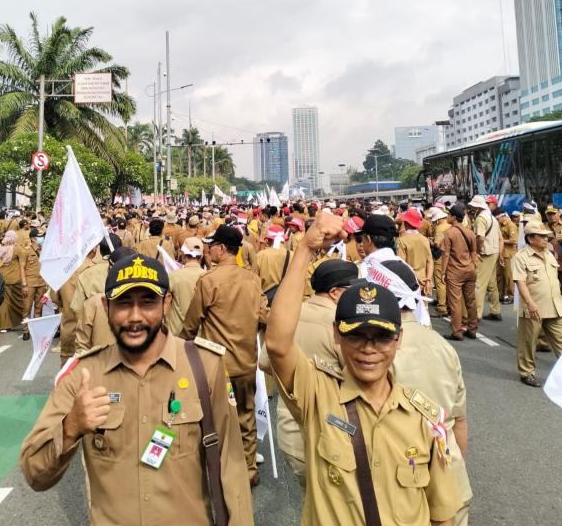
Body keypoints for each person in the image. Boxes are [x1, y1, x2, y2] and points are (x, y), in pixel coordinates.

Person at [20, 254, 253, 526]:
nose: (134, 317)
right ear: (106, 306)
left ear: (166, 304)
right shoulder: (84, 375)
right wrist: (70, 427)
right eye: (123, 303)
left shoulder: (205, 366)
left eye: (147, 302)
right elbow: (35, 474)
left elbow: (233, 469)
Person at [265, 213, 459, 526]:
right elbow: (276, 344)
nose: (369, 348)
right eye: (356, 335)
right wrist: (304, 250)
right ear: (336, 336)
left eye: (381, 337)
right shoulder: (319, 396)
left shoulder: (426, 418)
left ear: (398, 340)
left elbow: (442, 515)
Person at [385, 260, 472, 526]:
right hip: (449, 474)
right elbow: (459, 421)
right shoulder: (443, 346)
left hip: (400, 485)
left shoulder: (375, 352)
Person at [182, 225, 269, 486]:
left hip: (215, 365)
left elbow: (190, 324)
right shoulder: (252, 279)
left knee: (214, 419)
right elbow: (265, 316)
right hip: (245, 362)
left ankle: (218, 472)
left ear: (221, 249)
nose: (208, 251)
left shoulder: (208, 281)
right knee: (246, 417)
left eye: (211, 247)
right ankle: (249, 471)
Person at [259, 259, 357, 489]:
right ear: (334, 292)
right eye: (352, 290)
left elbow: (265, 363)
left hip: (290, 431)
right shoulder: (342, 324)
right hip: (333, 433)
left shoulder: (288, 316)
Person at [511, 220, 562, 387]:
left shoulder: (548, 253)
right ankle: (527, 372)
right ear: (530, 238)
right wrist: (530, 303)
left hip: (555, 306)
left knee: (561, 340)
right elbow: (521, 283)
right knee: (528, 342)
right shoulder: (521, 257)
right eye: (541, 237)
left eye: (546, 236)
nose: (545, 239)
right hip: (534, 307)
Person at [441, 203, 478, 341]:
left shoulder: (449, 233)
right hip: (470, 269)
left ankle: (456, 332)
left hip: (455, 271)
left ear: (454, 217)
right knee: (470, 301)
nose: (447, 217)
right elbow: (474, 252)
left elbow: (446, 254)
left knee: (455, 303)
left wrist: (443, 272)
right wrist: (473, 266)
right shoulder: (470, 232)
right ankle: (472, 329)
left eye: (449, 215)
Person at [468, 195, 501, 322]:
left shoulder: (481, 218)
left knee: (478, 284)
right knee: (492, 283)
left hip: (485, 252)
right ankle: (495, 310)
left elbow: (480, 238)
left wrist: (476, 251)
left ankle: (476, 314)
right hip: (494, 251)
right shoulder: (492, 217)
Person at [167, 238, 206, 336]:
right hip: (201, 335)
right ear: (201, 256)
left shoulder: (174, 276)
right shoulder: (209, 276)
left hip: (177, 333)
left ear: (183, 254)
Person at [396, 208, 433, 296]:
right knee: (424, 307)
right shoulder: (424, 239)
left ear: (405, 222)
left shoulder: (401, 240)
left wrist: (416, 277)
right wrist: (428, 280)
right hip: (424, 278)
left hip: (409, 279)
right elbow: (430, 261)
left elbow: (402, 265)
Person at [0, 230, 29, 335]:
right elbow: (23, 262)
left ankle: (4, 326)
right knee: (21, 302)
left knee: (4, 303)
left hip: (2, 279)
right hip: (15, 279)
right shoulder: (17, 249)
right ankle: (23, 320)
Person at [23, 228, 47, 325]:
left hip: (41, 282)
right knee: (27, 308)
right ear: (33, 239)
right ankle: (25, 330)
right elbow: (22, 268)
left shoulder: (43, 250)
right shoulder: (26, 251)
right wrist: (24, 284)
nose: (42, 238)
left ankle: (37, 327)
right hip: (30, 283)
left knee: (39, 307)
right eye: (40, 236)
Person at [430, 208, 450, 317]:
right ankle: (447, 303)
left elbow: (437, 244)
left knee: (440, 282)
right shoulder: (450, 226)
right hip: (450, 256)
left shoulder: (439, 228)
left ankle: (442, 307)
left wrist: (431, 241)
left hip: (440, 257)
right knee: (447, 281)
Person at [496, 209, 518, 304]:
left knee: (509, 276)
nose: (497, 220)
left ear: (502, 216)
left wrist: (500, 240)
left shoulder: (511, 225)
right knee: (499, 275)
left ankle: (511, 296)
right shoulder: (500, 225)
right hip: (500, 252)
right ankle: (500, 295)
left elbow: (513, 240)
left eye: (498, 218)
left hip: (508, 253)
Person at [545, 204, 562, 293]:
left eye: (553, 213)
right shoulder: (543, 227)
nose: (551, 216)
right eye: (549, 214)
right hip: (548, 262)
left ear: (559, 213)